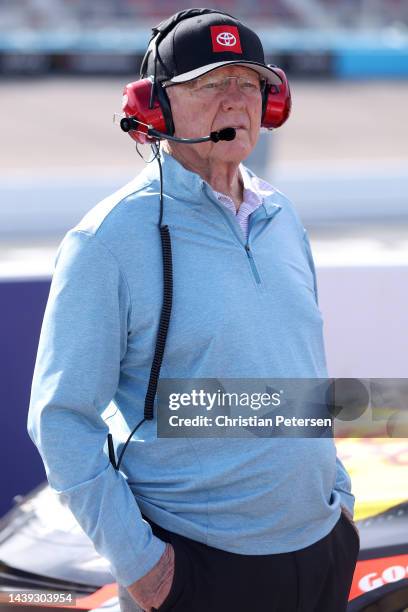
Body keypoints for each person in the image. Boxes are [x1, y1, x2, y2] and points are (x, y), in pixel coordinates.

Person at [28, 8, 359, 612]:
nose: (235, 100)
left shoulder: (283, 216)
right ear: (155, 108)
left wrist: (336, 496)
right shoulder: (108, 239)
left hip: (321, 547)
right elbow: (60, 420)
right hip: (197, 569)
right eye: (211, 84)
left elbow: (300, 372)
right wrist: (145, 568)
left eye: (249, 83)